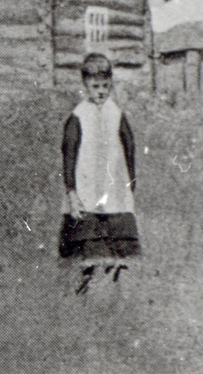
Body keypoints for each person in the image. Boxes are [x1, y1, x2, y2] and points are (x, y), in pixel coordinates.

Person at [59, 53, 141, 289]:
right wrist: (71, 190)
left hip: (114, 183)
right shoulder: (78, 117)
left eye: (105, 86)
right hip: (87, 184)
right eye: (95, 87)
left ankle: (118, 272)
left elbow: (129, 145)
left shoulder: (116, 114)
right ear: (85, 85)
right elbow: (69, 152)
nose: (101, 92)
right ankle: (87, 274)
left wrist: (131, 181)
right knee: (87, 230)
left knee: (118, 227)